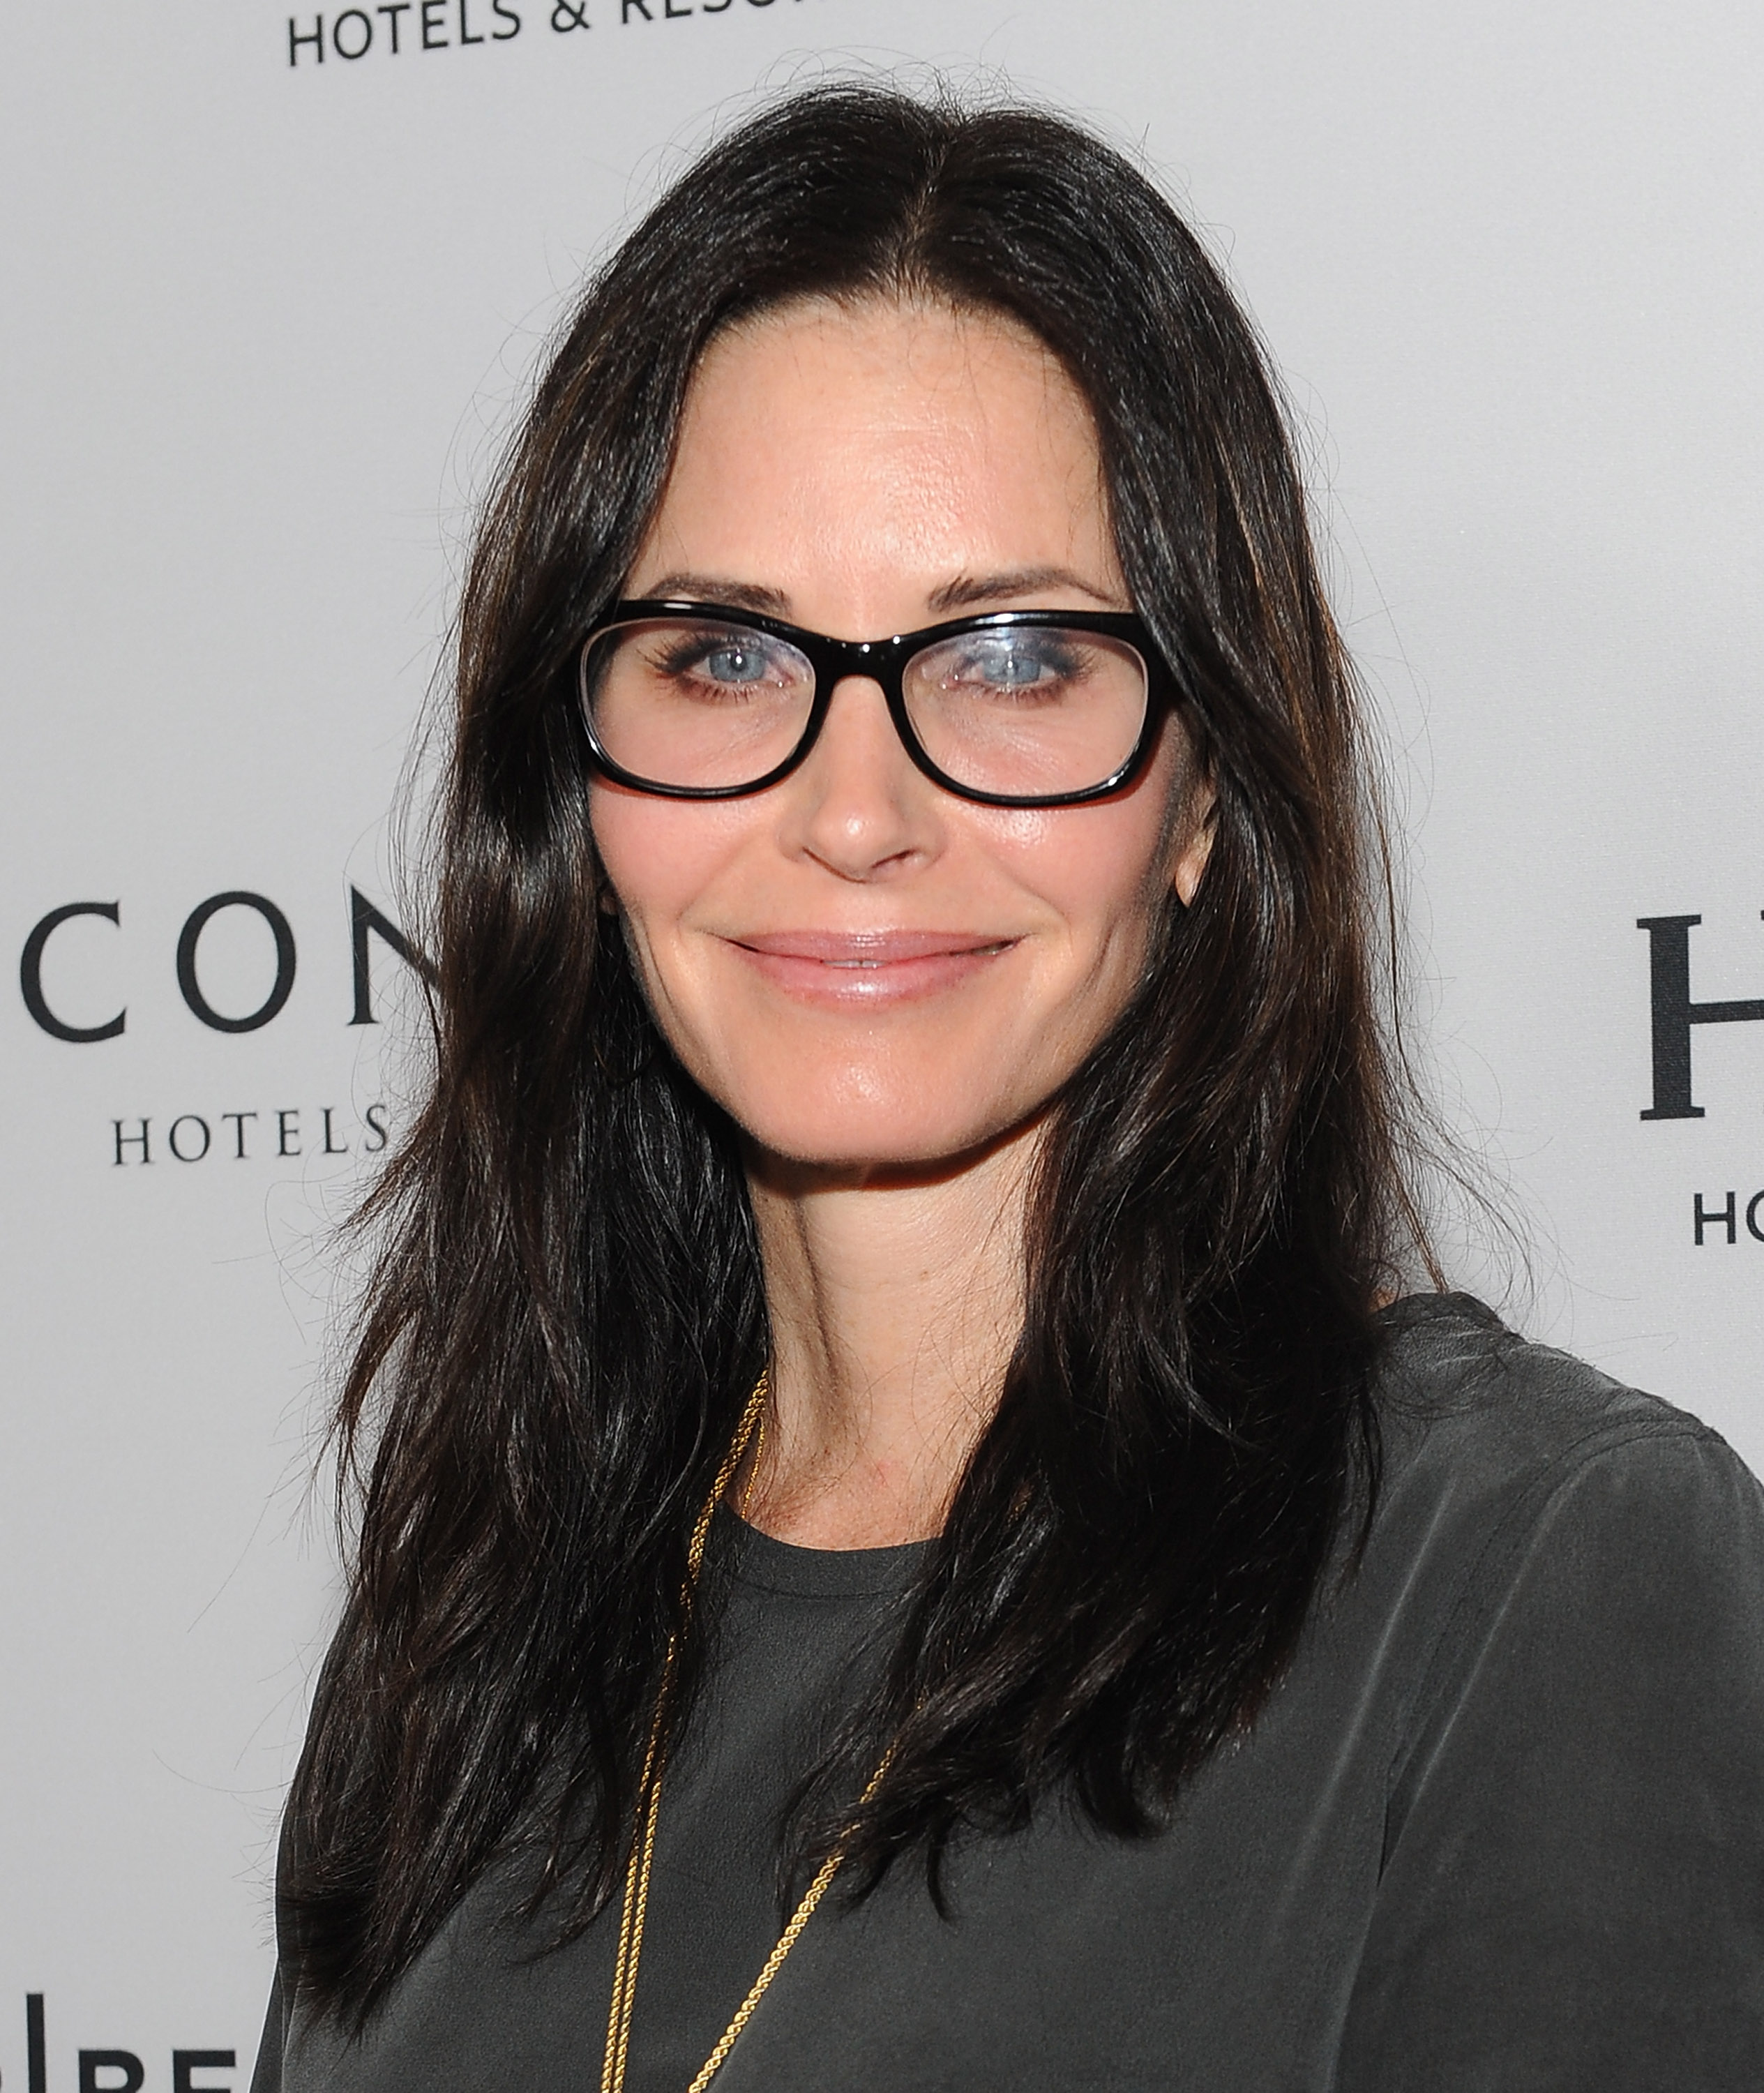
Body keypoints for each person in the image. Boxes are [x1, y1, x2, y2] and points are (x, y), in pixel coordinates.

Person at [251, 84, 1764, 2093]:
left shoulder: (1529, 1574)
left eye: (1015, 658)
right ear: (576, 781)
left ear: (1207, 789)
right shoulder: (471, 1625)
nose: (853, 808)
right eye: (720, 658)